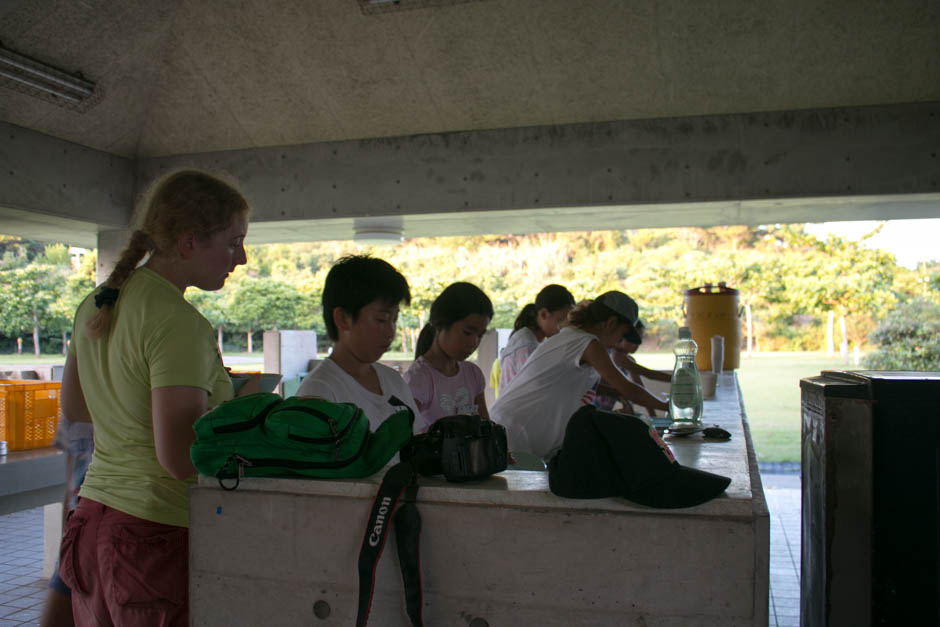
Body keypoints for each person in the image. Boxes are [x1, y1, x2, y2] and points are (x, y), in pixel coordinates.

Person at [57, 170, 257, 627]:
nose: (241, 258)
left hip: (91, 522)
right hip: (149, 537)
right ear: (188, 243)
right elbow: (179, 459)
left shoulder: (98, 302)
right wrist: (242, 420)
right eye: (233, 242)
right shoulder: (179, 321)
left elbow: (76, 409)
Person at [490, 291, 669, 460]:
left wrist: (614, 393)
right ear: (611, 323)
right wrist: (668, 407)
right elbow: (629, 389)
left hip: (516, 430)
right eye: (621, 336)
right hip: (515, 432)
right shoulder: (587, 343)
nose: (618, 343)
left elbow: (574, 383)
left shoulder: (572, 337)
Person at [296, 256, 418, 426]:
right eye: (381, 319)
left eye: (395, 319)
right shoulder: (319, 391)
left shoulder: (394, 381)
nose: (391, 331)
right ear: (343, 318)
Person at [404, 282, 494, 432]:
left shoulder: (473, 374)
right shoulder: (419, 378)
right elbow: (406, 436)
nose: (474, 343)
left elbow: (486, 429)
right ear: (440, 325)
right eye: (467, 332)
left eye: (480, 335)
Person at [39, 411, 93, 627]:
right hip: (77, 540)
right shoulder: (74, 414)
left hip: (119, 530)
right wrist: (65, 539)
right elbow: (70, 483)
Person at [498, 284, 575, 392]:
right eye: (561, 320)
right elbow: (536, 386)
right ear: (544, 314)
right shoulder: (526, 346)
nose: (564, 327)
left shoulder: (533, 341)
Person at [594, 319, 672, 416]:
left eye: (640, 339)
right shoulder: (617, 356)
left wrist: (653, 416)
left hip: (604, 409)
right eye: (633, 340)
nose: (637, 345)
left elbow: (639, 387)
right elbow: (648, 374)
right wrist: (676, 379)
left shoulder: (628, 359)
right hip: (595, 408)